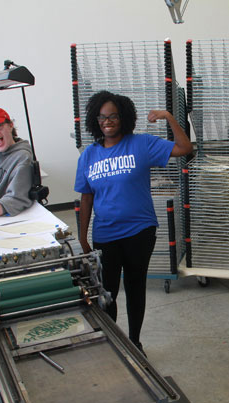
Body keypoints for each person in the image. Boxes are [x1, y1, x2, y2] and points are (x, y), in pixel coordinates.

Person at [75, 91, 192, 352]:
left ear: (123, 117)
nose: (108, 121)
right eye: (103, 117)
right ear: (96, 120)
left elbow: (185, 148)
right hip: (105, 232)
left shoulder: (141, 144)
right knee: (107, 291)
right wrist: (82, 237)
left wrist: (170, 117)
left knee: (135, 285)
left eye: (113, 116)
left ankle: (135, 342)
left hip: (139, 230)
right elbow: (86, 198)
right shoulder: (89, 156)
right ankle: (113, 343)